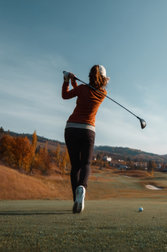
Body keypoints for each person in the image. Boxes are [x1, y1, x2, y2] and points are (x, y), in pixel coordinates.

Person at [62, 65, 109, 213]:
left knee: (75, 166)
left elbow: (66, 95)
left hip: (71, 128)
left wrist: (67, 80)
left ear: (90, 76)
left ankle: (76, 198)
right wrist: (76, 82)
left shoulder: (82, 88)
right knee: (86, 164)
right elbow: (87, 94)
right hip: (88, 130)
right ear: (103, 79)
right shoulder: (102, 94)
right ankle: (82, 187)